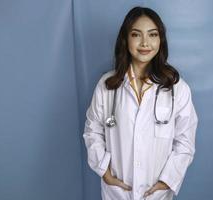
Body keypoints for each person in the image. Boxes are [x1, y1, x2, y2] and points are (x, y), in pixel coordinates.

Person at [83, 6, 198, 200]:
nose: (145, 42)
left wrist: (167, 181)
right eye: (136, 35)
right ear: (125, 39)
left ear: (160, 40)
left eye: (152, 35)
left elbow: (185, 142)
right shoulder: (107, 85)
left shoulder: (177, 89)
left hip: (156, 194)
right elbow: (92, 130)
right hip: (117, 192)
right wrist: (105, 171)